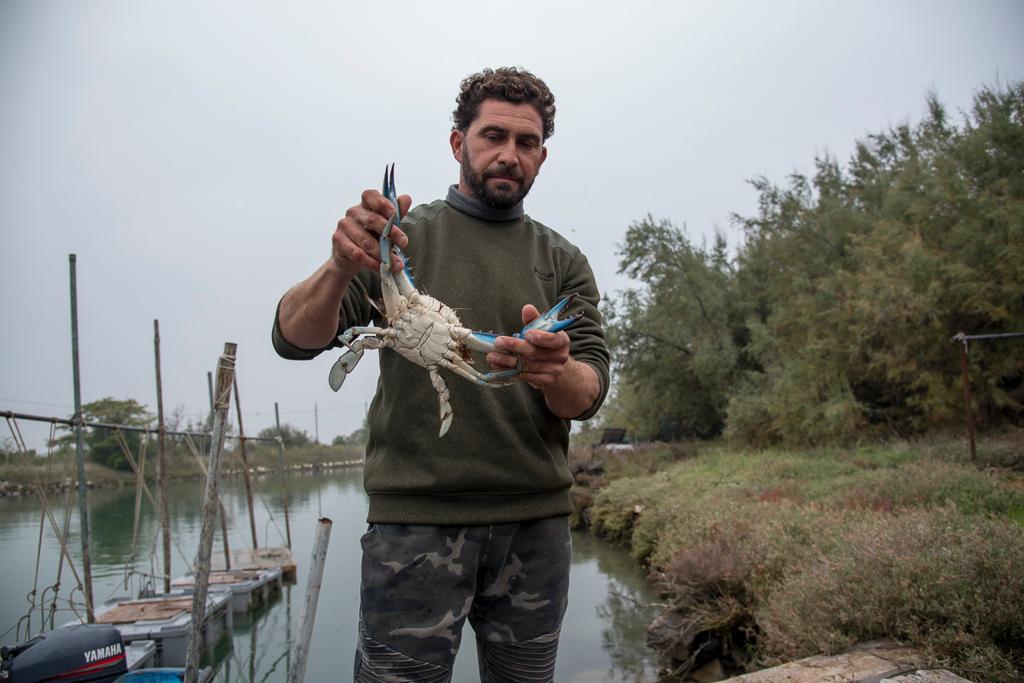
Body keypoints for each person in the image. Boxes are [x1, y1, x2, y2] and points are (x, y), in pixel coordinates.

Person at [272, 66, 609, 682]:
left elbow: (588, 392)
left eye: (527, 142)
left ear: (542, 156)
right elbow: (294, 339)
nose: (509, 154)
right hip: (413, 525)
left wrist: (554, 370)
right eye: (493, 136)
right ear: (459, 143)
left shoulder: (563, 261)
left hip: (534, 527)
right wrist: (341, 265)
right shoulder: (400, 241)